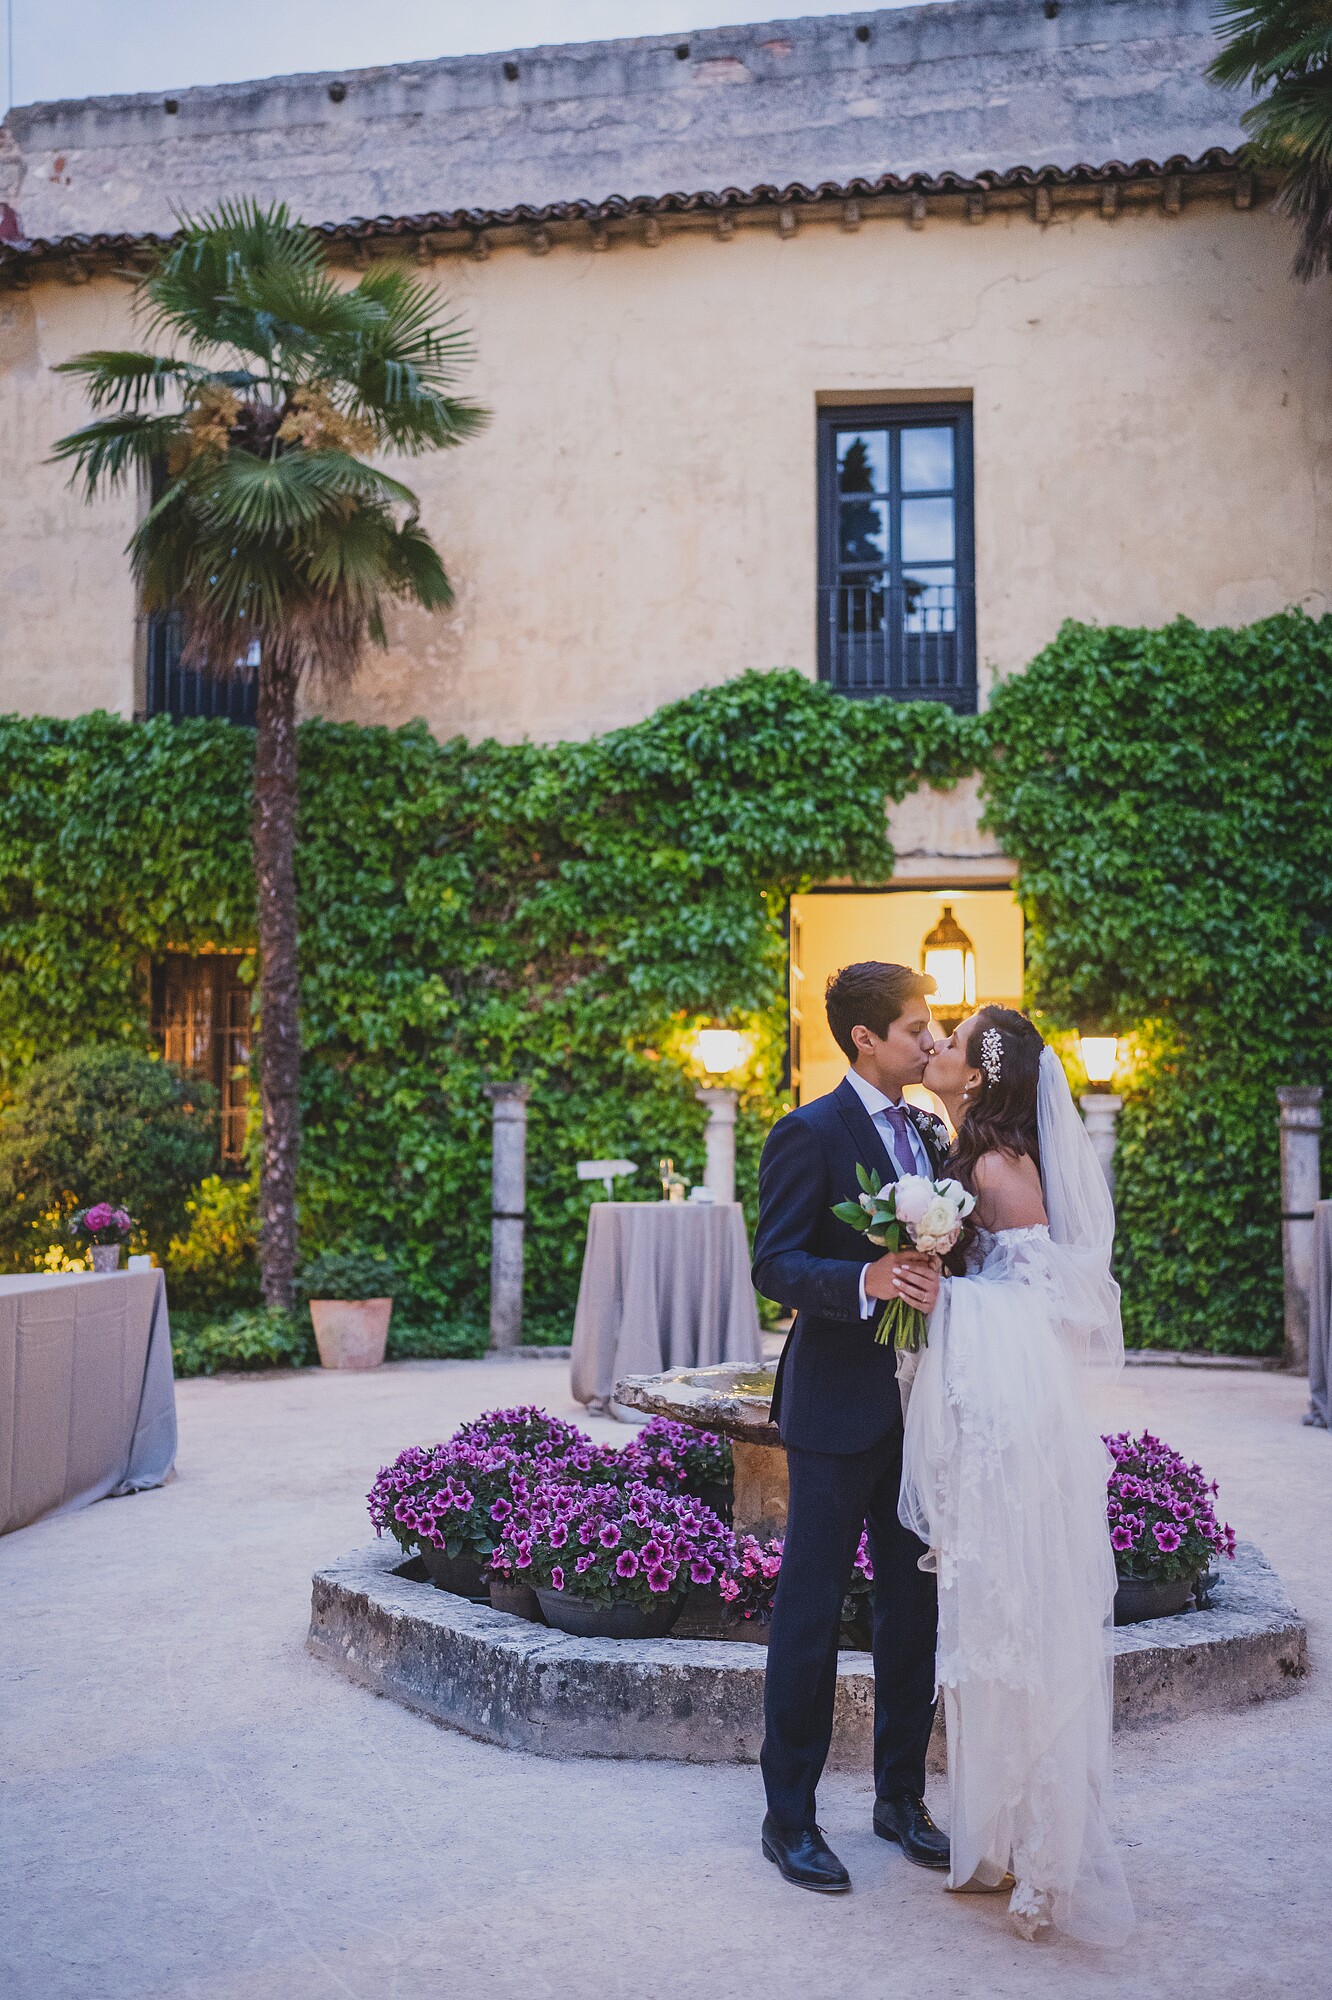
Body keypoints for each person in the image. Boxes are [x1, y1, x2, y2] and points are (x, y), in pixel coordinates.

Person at [900, 1005, 1135, 1944]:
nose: (937, 1047)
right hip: (982, 1408)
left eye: (952, 1042)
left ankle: (1042, 1853)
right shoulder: (965, 1155)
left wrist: (946, 1296)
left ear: (979, 1076)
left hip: (1007, 1416)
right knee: (986, 1618)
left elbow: (1047, 1302)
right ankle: (994, 1840)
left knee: (1014, 1617)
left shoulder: (999, 1169)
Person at [751, 961, 950, 1893]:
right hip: (835, 1408)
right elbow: (775, 1264)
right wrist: (865, 1280)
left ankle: (899, 1799)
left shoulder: (929, 1129)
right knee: (811, 1611)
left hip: (923, 1409)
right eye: (916, 1027)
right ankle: (788, 1818)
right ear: (867, 1038)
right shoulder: (809, 1131)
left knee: (914, 1612)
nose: (929, 1040)